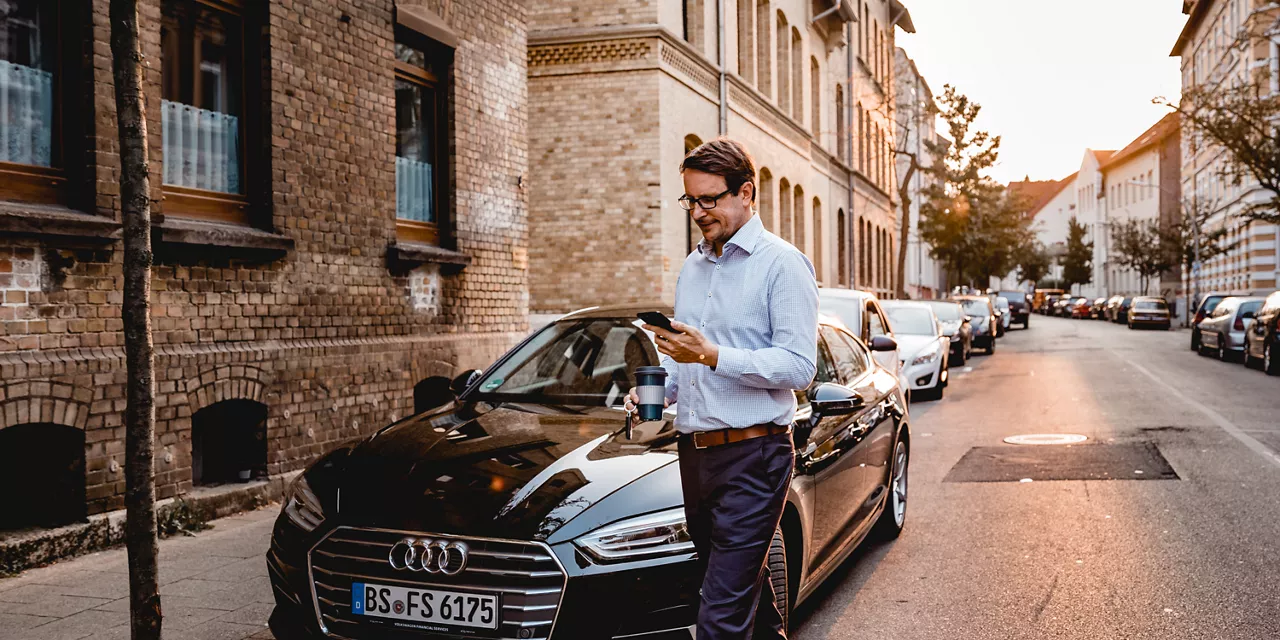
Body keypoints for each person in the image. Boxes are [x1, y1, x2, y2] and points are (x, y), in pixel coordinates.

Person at [626, 138, 818, 639]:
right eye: (691, 200)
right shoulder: (692, 268)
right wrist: (658, 391)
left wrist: (712, 355)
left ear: (746, 193)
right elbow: (685, 359)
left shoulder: (782, 264)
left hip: (755, 456)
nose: (698, 212)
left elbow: (799, 367)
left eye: (709, 199)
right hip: (694, 455)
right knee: (746, 600)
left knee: (718, 617)